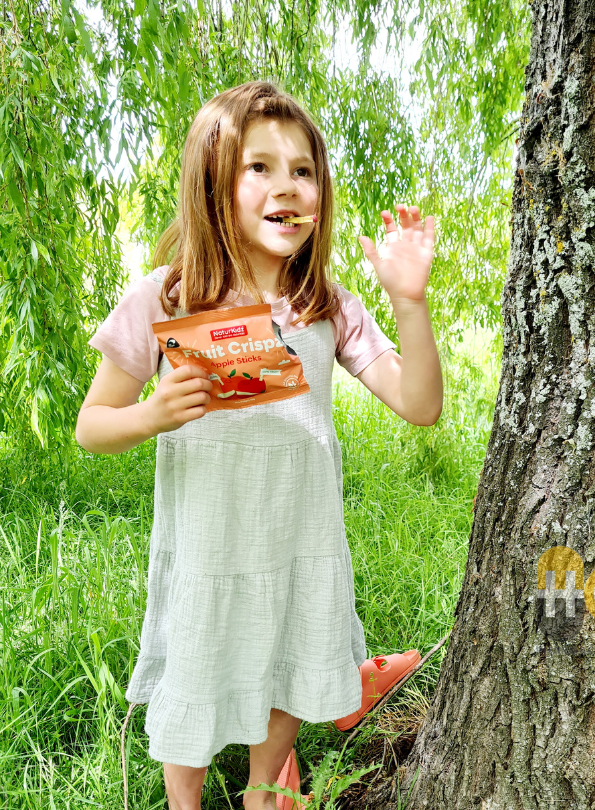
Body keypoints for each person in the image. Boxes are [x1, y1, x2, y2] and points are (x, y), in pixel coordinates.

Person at [75, 80, 443, 810]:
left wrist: (409, 301)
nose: (288, 187)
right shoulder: (168, 297)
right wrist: (153, 414)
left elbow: (420, 404)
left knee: (288, 667)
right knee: (196, 673)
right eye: (260, 168)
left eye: (303, 170)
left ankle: (263, 791)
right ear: (214, 181)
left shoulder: (325, 305)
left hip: (299, 542)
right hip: (209, 547)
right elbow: (92, 425)